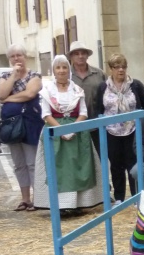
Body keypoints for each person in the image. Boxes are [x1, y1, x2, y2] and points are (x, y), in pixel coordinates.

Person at [33, 55, 103, 213]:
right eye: (58, 67)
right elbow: (45, 114)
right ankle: (61, 206)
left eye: (64, 67)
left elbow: (83, 112)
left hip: (78, 132)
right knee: (59, 169)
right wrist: (61, 130)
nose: (62, 70)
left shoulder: (77, 90)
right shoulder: (47, 91)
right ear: (54, 71)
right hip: (54, 132)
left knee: (80, 167)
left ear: (68, 69)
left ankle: (79, 203)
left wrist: (73, 129)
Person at [95, 54, 144, 205]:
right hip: (111, 132)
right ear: (111, 69)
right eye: (117, 67)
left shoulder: (135, 85)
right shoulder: (103, 87)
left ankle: (136, 196)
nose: (121, 70)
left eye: (123, 67)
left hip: (132, 130)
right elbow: (99, 109)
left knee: (133, 162)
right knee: (116, 164)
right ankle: (119, 197)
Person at [0, 44, 44, 211]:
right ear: (10, 59)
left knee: (32, 162)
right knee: (18, 164)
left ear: (25, 56)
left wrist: (8, 99)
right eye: (13, 56)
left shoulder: (34, 75)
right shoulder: (6, 76)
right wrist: (13, 78)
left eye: (19, 55)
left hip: (30, 123)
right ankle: (25, 198)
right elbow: (0, 94)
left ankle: (39, 198)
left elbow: (30, 94)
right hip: (11, 126)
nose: (17, 59)